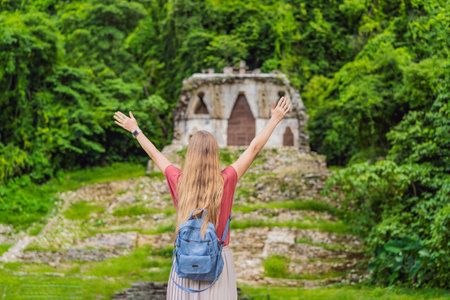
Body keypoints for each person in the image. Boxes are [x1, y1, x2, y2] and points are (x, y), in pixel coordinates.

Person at [113, 96, 292, 300]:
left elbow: (155, 154)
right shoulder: (226, 179)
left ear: (190, 154)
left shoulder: (178, 180)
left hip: (185, 261)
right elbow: (253, 149)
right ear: (215, 154)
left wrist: (135, 130)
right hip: (218, 262)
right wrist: (275, 119)